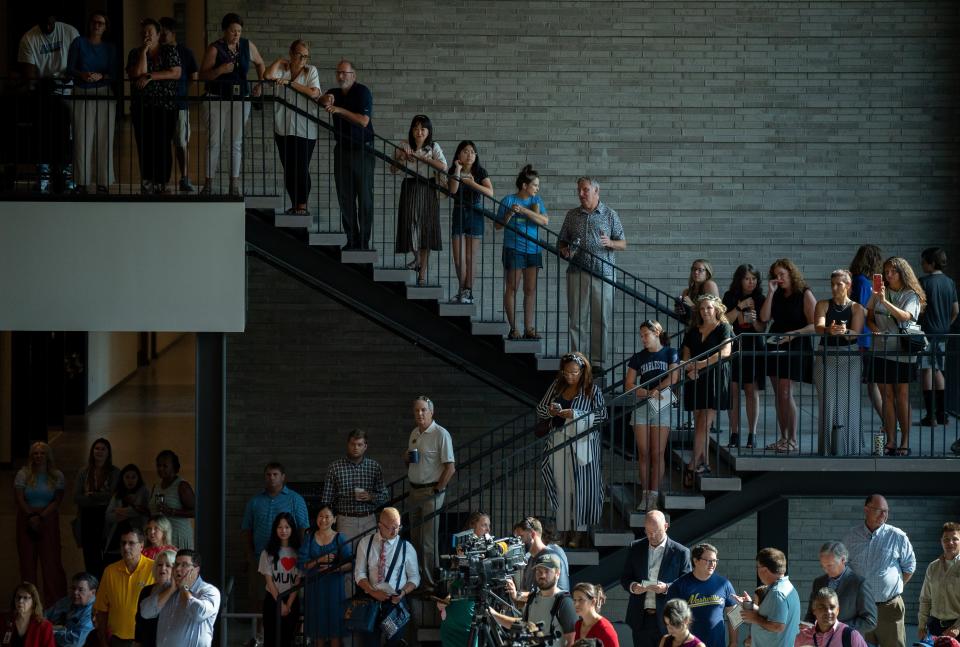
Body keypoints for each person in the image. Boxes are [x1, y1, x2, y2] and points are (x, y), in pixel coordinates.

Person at [535, 352, 606, 548]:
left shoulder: (592, 390)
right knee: (563, 489)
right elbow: (540, 409)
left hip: (582, 444)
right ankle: (564, 531)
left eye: (574, 373)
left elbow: (602, 416)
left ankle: (580, 532)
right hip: (558, 439)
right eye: (566, 372)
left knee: (581, 489)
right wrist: (551, 411)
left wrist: (575, 414)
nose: (570, 376)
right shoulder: (557, 386)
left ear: (583, 370)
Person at [558, 177, 627, 373]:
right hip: (577, 272)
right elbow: (561, 242)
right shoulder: (572, 215)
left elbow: (623, 242)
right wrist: (565, 251)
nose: (581, 194)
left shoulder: (609, 214)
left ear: (597, 191)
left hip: (603, 275)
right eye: (579, 190)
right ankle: (577, 360)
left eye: (585, 190)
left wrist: (611, 243)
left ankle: (598, 363)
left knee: (601, 318)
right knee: (576, 319)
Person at [198, 12, 265, 196]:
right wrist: (220, 70)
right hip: (216, 99)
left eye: (239, 31)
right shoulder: (215, 48)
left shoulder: (246, 45)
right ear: (225, 30)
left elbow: (260, 63)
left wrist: (260, 84)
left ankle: (233, 184)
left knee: (236, 141)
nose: (237, 34)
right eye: (233, 31)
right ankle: (208, 183)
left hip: (240, 99)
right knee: (214, 141)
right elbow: (202, 75)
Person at [866, 257, 927, 455]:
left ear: (903, 273)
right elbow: (869, 316)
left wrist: (884, 301)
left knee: (901, 396)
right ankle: (891, 440)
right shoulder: (878, 291)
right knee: (887, 396)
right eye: (886, 271)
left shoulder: (911, 294)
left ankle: (905, 441)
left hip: (902, 351)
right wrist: (874, 328)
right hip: (880, 349)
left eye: (892, 271)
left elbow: (906, 317)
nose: (888, 275)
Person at [843, 494, 916, 647]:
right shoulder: (851, 537)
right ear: (866, 510)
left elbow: (909, 567)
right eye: (879, 510)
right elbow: (844, 568)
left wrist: (891, 589)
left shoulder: (897, 536)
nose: (884, 515)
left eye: (886, 511)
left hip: (889, 608)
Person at [759, 258, 816, 453]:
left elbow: (816, 324)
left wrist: (794, 334)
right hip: (776, 343)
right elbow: (765, 318)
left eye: (782, 274)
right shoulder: (777, 294)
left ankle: (792, 439)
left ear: (791, 273)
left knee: (785, 391)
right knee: (778, 394)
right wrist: (770, 292)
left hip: (796, 343)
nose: (779, 278)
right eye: (775, 275)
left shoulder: (804, 294)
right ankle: (783, 437)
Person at [18, 13, 79, 194]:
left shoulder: (69, 31)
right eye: (43, 23)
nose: (47, 26)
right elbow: (29, 73)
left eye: (50, 22)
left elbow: (79, 60)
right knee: (43, 136)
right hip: (43, 95)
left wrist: (70, 74)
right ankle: (43, 176)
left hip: (68, 92)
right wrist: (42, 83)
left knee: (67, 136)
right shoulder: (29, 38)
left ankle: (67, 176)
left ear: (55, 19)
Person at [625, 320, 679, 511]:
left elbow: (674, 376)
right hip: (642, 404)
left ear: (657, 332)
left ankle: (654, 495)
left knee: (657, 453)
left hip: (662, 403)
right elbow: (629, 384)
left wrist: (656, 390)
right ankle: (645, 494)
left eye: (646, 334)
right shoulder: (638, 357)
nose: (643, 339)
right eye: (641, 335)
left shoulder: (670, 352)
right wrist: (648, 393)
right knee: (644, 452)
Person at [320, 59, 375, 250]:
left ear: (354, 75)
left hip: (362, 150)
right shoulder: (334, 93)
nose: (341, 76)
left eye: (345, 73)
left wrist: (339, 110)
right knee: (345, 198)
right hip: (342, 150)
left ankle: (364, 242)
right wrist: (326, 99)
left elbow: (363, 121)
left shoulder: (362, 92)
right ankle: (352, 239)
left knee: (365, 199)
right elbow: (322, 100)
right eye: (338, 73)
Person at [681, 295, 734, 487]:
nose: (705, 311)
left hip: (715, 378)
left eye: (709, 308)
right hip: (696, 378)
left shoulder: (724, 327)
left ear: (717, 309)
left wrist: (699, 365)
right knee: (699, 423)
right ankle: (705, 462)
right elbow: (685, 357)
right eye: (702, 309)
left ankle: (692, 464)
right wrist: (689, 368)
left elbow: (725, 352)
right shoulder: (692, 331)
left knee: (704, 422)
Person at [241, 462, 309, 610]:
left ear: (283, 477)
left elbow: (303, 528)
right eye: (268, 474)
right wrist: (249, 556)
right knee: (259, 598)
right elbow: (247, 530)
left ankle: (290, 632)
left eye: (275, 474)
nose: (271, 478)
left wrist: (302, 555)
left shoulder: (295, 499)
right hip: (260, 558)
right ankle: (259, 633)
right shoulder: (254, 501)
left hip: (289, 558)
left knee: (292, 598)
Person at [126, 18, 182, 194]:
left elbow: (175, 73)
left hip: (166, 106)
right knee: (144, 145)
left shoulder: (169, 50)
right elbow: (136, 73)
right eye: (143, 32)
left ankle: (162, 182)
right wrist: (144, 51)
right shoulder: (135, 53)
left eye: (150, 32)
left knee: (163, 145)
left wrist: (150, 76)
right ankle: (147, 181)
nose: (146, 35)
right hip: (142, 107)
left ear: (158, 34)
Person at [266, 39, 322, 215]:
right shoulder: (282, 70)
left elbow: (314, 93)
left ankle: (302, 206)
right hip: (282, 128)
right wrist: (278, 61)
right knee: (289, 169)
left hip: (305, 130)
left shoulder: (310, 71)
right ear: (291, 53)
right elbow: (267, 77)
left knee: (301, 168)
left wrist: (290, 84)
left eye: (306, 56)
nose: (303, 59)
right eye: (300, 55)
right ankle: (295, 204)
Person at [813, 270, 866, 456]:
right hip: (826, 356)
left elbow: (856, 334)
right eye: (832, 284)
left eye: (839, 284)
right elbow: (818, 327)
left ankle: (849, 447)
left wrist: (845, 331)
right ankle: (828, 448)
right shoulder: (823, 304)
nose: (835, 288)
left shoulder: (857, 308)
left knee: (849, 402)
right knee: (827, 402)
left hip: (848, 357)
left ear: (848, 285)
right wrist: (830, 329)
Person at [406, 395, 456, 588]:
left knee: (428, 542)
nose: (420, 413)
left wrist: (437, 490)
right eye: (417, 410)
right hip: (414, 491)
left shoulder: (441, 434)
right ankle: (416, 580)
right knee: (415, 539)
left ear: (431, 412)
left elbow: (450, 467)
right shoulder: (414, 433)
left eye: (423, 410)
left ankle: (430, 584)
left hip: (431, 492)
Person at [622, 510, 692, 647]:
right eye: (648, 532)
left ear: (666, 526)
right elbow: (625, 578)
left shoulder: (681, 552)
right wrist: (633, 587)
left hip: (669, 619)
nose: (651, 536)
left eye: (656, 531)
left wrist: (666, 588)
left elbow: (687, 584)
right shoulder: (635, 547)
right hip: (640, 619)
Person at [66, 11, 117, 194]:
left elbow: (114, 74)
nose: (97, 25)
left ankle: (103, 181)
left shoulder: (110, 48)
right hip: (81, 91)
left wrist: (101, 75)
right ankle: (81, 181)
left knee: (105, 137)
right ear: (89, 24)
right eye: (94, 22)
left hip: (104, 92)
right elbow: (70, 68)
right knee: (82, 137)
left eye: (101, 23)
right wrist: (83, 74)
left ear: (105, 27)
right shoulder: (78, 43)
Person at [392, 115, 447, 286]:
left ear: (428, 131)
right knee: (409, 224)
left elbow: (443, 166)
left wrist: (421, 157)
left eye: (423, 128)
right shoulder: (403, 145)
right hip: (409, 185)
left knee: (425, 230)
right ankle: (417, 260)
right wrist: (401, 157)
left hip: (428, 186)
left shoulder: (434, 146)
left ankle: (422, 274)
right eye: (416, 128)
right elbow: (393, 169)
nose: (419, 131)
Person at [496, 164, 549, 339]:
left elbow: (544, 221)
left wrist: (525, 211)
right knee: (512, 288)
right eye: (535, 185)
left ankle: (528, 329)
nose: (537, 188)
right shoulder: (508, 200)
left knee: (530, 290)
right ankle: (513, 328)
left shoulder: (537, 201)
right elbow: (497, 226)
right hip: (513, 249)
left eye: (538, 186)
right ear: (525, 185)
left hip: (533, 249)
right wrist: (510, 214)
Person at [354, 508, 419, 647]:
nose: (395, 531)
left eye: (398, 527)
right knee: (370, 644)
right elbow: (359, 574)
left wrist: (403, 593)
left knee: (396, 644)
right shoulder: (365, 543)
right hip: (371, 602)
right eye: (391, 528)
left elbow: (414, 578)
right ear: (380, 525)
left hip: (395, 603)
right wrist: (372, 592)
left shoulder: (407, 547)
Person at [14, 441, 67, 606]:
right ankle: (29, 604)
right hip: (26, 518)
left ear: (47, 455)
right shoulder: (23, 474)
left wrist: (41, 517)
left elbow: (57, 500)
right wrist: (31, 516)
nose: (38, 456)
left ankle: (54, 604)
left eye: (42, 453)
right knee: (27, 563)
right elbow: (19, 498)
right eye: (35, 453)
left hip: (48, 519)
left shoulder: (57, 475)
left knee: (51, 563)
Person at [722, 264, 767, 449]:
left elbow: (761, 329)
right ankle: (734, 433)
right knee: (733, 391)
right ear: (740, 280)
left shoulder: (760, 298)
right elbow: (724, 321)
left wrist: (755, 320)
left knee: (751, 390)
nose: (751, 282)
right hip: (733, 347)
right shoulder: (730, 296)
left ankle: (752, 434)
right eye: (747, 278)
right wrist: (740, 306)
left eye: (754, 279)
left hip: (754, 347)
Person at [320, 429, 387, 550]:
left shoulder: (374, 467)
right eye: (352, 444)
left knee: (370, 556)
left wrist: (371, 496)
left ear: (365, 446)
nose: (355, 447)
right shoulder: (335, 468)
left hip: (368, 519)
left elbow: (385, 496)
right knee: (345, 556)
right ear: (348, 444)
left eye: (359, 444)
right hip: (345, 519)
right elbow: (327, 500)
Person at [492, 553, 578, 647]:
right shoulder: (533, 598)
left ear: (558, 573)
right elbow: (523, 626)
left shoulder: (564, 602)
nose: (542, 575)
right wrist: (494, 615)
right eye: (539, 571)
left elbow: (572, 642)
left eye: (547, 571)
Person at [138, 549, 220, 647]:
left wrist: (183, 589)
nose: (177, 569)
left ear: (196, 569)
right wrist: (171, 590)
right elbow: (145, 612)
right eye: (176, 564)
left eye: (184, 565)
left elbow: (198, 613)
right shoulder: (167, 588)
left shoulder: (209, 591)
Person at [447, 140, 494, 303]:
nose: (469, 154)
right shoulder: (453, 170)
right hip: (458, 211)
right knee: (458, 258)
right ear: (459, 154)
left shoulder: (480, 171)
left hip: (475, 212)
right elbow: (452, 190)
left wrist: (473, 183)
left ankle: (468, 292)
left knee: (470, 257)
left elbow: (490, 192)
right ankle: (462, 290)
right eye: (465, 151)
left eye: (472, 152)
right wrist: (458, 171)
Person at [299, 504, 352, 647]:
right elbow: (302, 565)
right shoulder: (309, 538)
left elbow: (350, 564)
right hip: (315, 588)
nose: (323, 520)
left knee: (335, 630)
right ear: (316, 519)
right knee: (318, 630)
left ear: (334, 519)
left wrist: (333, 568)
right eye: (320, 516)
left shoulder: (340, 538)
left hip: (335, 588)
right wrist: (320, 560)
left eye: (327, 516)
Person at [437, 512, 493, 647]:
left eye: (488, 525)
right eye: (484, 525)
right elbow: (452, 578)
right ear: (472, 526)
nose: (488, 529)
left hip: (471, 612)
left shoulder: (490, 549)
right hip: (454, 610)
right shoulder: (461, 547)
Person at [665, 543, 737, 647]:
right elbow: (670, 620)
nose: (713, 564)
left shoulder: (724, 584)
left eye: (715, 561)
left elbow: (735, 614)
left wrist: (733, 642)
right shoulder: (678, 586)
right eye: (708, 560)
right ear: (695, 560)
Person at [95, 525, 155, 647]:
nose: (126, 547)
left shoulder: (154, 569)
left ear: (141, 546)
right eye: (123, 543)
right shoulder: (110, 571)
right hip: (118, 640)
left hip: (146, 639)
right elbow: (101, 609)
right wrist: (103, 641)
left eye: (131, 543)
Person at [158, 17, 199, 193]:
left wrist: (181, 92)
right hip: (159, 104)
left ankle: (184, 177)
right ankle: (162, 180)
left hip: (179, 103)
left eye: (163, 33)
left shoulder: (185, 52)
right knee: (162, 144)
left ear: (173, 33)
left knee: (181, 142)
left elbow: (194, 77)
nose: (160, 36)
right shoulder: (157, 51)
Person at [918, 248, 958, 426]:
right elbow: (956, 310)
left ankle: (930, 415)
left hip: (927, 333)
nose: (921, 264)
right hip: (943, 332)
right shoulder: (950, 282)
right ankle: (942, 414)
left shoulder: (924, 282)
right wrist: (946, 324)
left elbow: (919, 309)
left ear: (931, 263)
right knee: (938, 369)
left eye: (924, 261)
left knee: (927, 370)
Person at [803, 541, 877, 635]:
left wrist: (837, 628)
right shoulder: (818, 582)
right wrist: (807, 625)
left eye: (829, 565)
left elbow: (870, 621)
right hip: (821, 641)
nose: (826, 570)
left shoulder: (859, 584)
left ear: (843, 560)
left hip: (847, 640)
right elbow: (811, 613)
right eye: (823, 566)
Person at [73, 438, 119, 580]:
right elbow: (77, 497)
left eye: (103, 449)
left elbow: (113, 496)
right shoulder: (84, 472)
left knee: (108, 557)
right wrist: (100, 498)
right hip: (87, 519)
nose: (99, 452)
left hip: (106, 519)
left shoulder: (114, 472)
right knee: (90, 558)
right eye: (96, 448)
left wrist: (92, 495)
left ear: (108, 453)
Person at [849, 244, 885, 420]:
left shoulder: (862, 281)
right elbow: (863, 309)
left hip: (866, 338)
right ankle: (888, 421)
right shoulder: (863, 282)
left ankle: (889, 420)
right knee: (873, 383)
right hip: (864, 338)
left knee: (873, 383)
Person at [739, 548, 800, 647]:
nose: (757, 571)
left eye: (757, 567)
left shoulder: (777, 593)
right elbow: (773, 615)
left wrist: (755, 618)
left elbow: (778, 626)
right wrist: (750, 605)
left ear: (765, 570)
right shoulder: (785, 587)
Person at [259, 513, 301, 647]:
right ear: (275, 529)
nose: (283, 530)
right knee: (270, 639)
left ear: (292, 529)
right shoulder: (267, 552)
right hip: (272, 599)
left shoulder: (299, 552)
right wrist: (280, 603)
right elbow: (269, 581)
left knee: (287, 639)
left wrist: (288, 605)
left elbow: (297, 581)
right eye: (280, 527)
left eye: (287, 527)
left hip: (292, 600)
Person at [509, 516, 571, 604]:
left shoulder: (550, 556)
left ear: (533, 534)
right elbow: (526, 592)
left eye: (521, 537)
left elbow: (551, 594)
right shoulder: (530, 560)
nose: (519, 542)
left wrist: (517, 595)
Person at [917, 522, 960, 641]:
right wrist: (921, 626)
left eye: (955, 539)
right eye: (946, 539)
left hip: (957, 630)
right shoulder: (933, 567)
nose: (950, 543)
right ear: (941, 541)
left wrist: (957, 627)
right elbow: (925, 599)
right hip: (935, 628)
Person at [103, 464, 150, 564]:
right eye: (127, 477)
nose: (130, 480)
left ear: (138, 478)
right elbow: (108, 516)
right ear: (122, 479)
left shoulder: (143, 492)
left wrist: (119, 510)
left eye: (133, 477)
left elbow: (139, 511)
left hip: (136, 537)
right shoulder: (118, 494)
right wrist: (131, 511)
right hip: (117, 536)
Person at [148, 450, 195, 549]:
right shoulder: (156, 486)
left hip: (177, 535)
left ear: (174, 467)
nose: (161, 468)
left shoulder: (182, 486)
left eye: (165, 466)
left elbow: (196, 512)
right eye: (158, 465)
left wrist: (171, 511)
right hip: (161, 538)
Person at [796, 588, 870, 647]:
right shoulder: (802, 637)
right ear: (814, 610)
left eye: (832, 607)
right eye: (822, 607)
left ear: (838, 610)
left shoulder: (851, 636)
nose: (828, 612)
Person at [133, 549, 175, 647]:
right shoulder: (146, 590)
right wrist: (137, 643)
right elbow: (139, 620)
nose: (163, 568)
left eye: (168, 565)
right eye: (159, 565)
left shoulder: (178, 592)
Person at [44, 573, 97, 647]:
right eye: (73, 588)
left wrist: (51, 632)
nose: (75, 592)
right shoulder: (67, 600)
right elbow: (44, 616)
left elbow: (76, 642)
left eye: (80, 590)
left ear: (92, 592)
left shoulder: (94, 611)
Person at [1, 582, 55, 647]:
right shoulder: (4, 622)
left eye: (25, 597)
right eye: (18, 597)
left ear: (34, 601)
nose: (20, 601)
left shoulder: (45, 626)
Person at [677, 260, 720, 324]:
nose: (696, 272)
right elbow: (687, 317)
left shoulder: (709, 284)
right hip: (693, 328)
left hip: (709, 327)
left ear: (707, 274)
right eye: (693, 269)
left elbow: (714, 310)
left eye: (700, 270)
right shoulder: (686, 292)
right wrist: (680, 311)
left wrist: (691, 305)